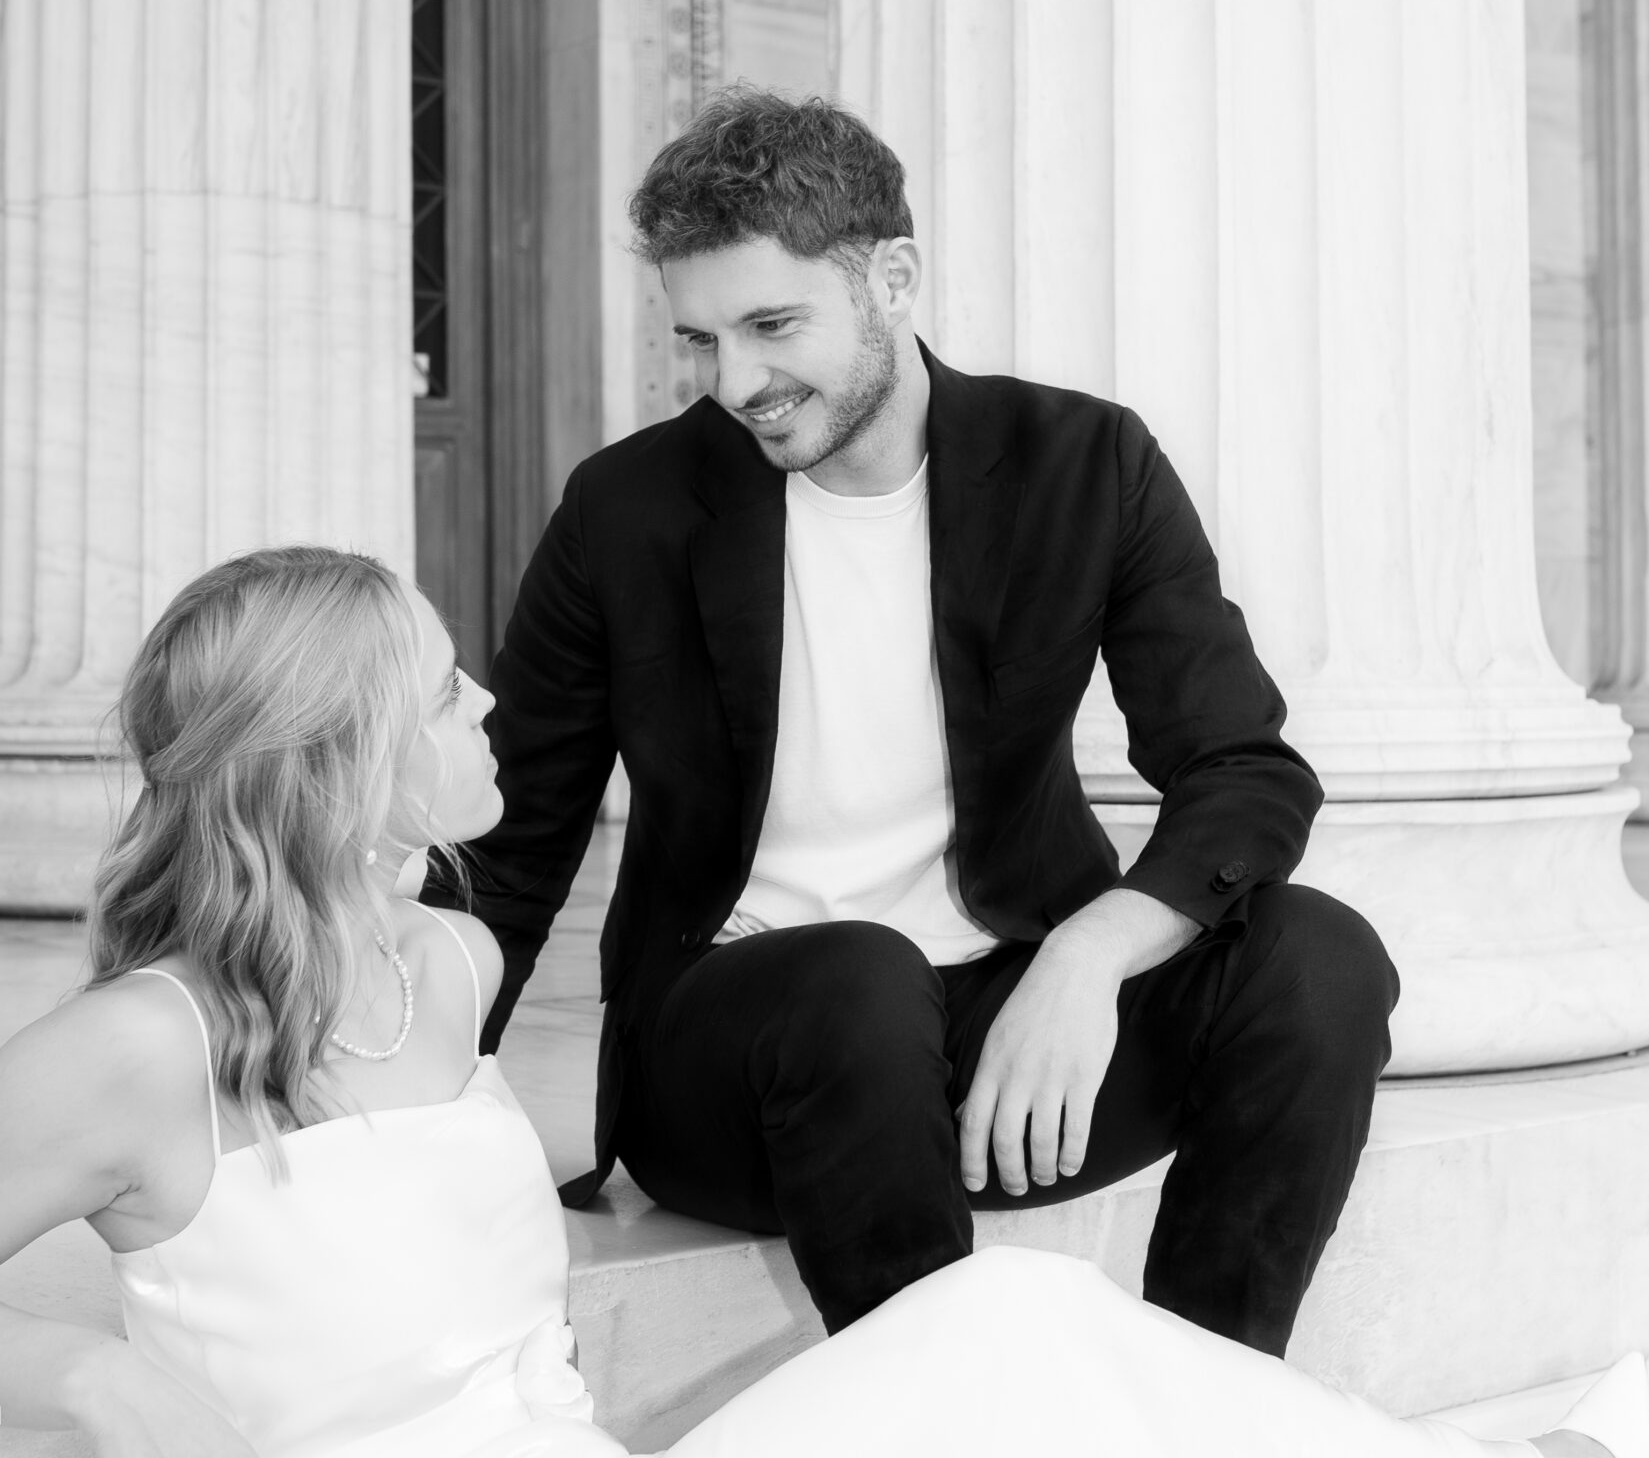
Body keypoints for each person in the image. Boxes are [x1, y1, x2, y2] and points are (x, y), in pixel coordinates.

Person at [0, 547, 1649, 1458]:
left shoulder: (444, 965)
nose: (488, 700)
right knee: (1005, 1347)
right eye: (443, 684)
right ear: (344, 761)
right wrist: (99, 1378)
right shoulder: (144, 1046)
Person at [443, 88, 1398, 1352]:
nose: (735, 383)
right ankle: (940, 1450)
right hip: (746, 1062)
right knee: (857, 975)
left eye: (773, 325)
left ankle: (1211, 1400)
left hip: (1013, 1052)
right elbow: (514, 838)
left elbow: (1243, 769)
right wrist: (397, 1108)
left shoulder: (1082, 463)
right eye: (701, 339)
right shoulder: (628, 509)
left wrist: (1090, 953)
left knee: (1318, 957)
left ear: (891, 278)